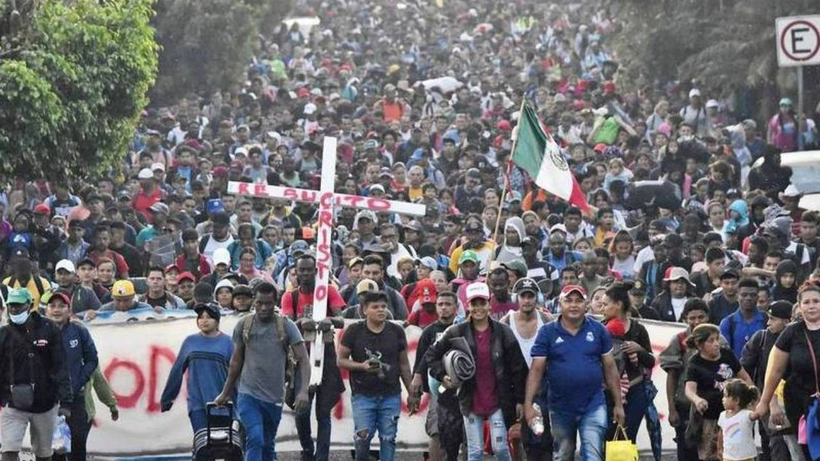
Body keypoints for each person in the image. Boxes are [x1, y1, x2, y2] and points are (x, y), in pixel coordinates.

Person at [425, 282, 527, 461]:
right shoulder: (456, 331)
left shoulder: (503, 332)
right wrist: (443, 376)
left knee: (501, 448)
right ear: (468, 305)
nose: (478, 308)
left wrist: (519, 399)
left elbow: (518, 367)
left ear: (489, 304)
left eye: (482, 303)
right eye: (474, 303)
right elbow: (431, 355)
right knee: (475, 451)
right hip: (469, 398)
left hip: (498, 398)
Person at [524, 284, 626, 461]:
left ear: (586, 304)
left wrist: (618, 403)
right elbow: (536, 369)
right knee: (563, 455)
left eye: (578, 301)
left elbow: (610, 367)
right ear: (560, 304)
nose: (573, 305)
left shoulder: (599, 330)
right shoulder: (547, 332)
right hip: (560, 406)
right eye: (568, 300)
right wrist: (528, 403)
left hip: (593, 404)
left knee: (593, 456)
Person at [214, 282, 310, 461]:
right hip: (248, 394)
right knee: (255, 438)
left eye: (268, 303)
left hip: (274, 397)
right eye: (259, 303)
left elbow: (303, 359)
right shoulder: (244, 325)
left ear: (275, 303)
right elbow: (236, 362)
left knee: (267, 443)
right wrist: (225, 393)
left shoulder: (286, 326)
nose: (264, 308)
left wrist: (303, 391)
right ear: (253, 302)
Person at [279, 254, 347, 461]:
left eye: (310, 270)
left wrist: (328, 321)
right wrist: (302, 323)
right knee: (302, 409)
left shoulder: (329, 292)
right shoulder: (290, 297)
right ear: (296, 273)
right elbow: (287, 325)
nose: (306, 274)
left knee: (323, 411)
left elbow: (341, 319)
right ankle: (307, 449)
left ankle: (322, 456)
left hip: (325, 356)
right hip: (301, 359)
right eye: (302, 270)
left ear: (317, 272)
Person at [338, 291, 419, 461]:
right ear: (364, 310)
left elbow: (403, 364)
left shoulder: (396, 331)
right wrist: (362, 366)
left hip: (391, 394)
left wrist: (411, 392)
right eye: (375, 307)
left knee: (388, 439)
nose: (381, 310)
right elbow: (341, 360)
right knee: (362, 437)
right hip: (363, 395)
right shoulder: (354, 331)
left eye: (383, 306)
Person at [0, 288, 73, 461]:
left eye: (19, 305)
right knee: (8, 452)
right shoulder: (3, 334)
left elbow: (61, 365)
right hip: (13, 403)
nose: (15, 310)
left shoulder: (49, 329)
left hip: (45, 403)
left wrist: (66, 401)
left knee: (43, 454)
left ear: (30, 305)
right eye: (12, 306)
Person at [754, 281, 820, 461]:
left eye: (816, 301)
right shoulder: (791, 332)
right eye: (806, 302)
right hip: (801, 405)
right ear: (799, 306)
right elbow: (774, 371)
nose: (811, 305)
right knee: (808, 455)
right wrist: (764, 402)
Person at [500, 277, 553, 460]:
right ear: (517, 298)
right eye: (523, 296)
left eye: (531, 296)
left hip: (543, 385)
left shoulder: (547, 320)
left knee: (542, 439)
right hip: (515, 387)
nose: (527, 300)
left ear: (536, 298)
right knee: (516, 438)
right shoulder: (506, 322)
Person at [684, 323, 753, 461]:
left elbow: (744, 377)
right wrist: (697, 400)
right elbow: (689, 389)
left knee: (736, 453)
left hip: (733, 416)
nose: (716, 344)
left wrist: (750, 399)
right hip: (709, 418)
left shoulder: (726, 354)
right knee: (710, 455)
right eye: (711, 341)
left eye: (717, 339)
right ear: (699, 345)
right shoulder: (695, 362)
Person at [161, 302, 233, 433]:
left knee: (223, 446)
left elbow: (236, 374)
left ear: (217, 320)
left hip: (222, 404)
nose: (204, 320)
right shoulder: (190, 342)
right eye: (200, 317)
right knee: (203, 443)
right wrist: (167, 398)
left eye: (209, 317)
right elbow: (177, 370)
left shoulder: (228, 342)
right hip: (197, 403)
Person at [45, 290, 99, 461]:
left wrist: (80, 379)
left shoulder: (79, 331)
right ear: (46, 310)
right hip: (48, 400)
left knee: (77, 443)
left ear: (69, 310)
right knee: (53, 448)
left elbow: (92, 358)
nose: (56, 310)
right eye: (52, 305)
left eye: (61, 306)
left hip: (76, 397)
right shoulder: (38, 332)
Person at [659, 298, 714, 461]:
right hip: (685, 406)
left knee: (711, 451)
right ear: (685, 319)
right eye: (692, 318)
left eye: (700, 317)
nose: (696, 321)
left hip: (713, 405)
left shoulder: (718, 339)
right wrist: (671, 408)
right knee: (686, 450)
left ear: (707, 317)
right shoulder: (679, 340)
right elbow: (672, 375)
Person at [600, 282, 656, 444]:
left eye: (606, 304)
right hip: (607, 392)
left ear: (618, 304)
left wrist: (639, 350)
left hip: (634, 390)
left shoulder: (638, 329)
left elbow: (650, 362)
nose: (602, 308)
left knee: (627, 438)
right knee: (608, 438)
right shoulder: (600, 328)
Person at [740, 300, 794, 461]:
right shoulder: (761, 338)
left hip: (795, 401)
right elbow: (743, 369)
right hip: (766, 400)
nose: (769, 323)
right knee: (774, 444)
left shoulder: (798, 338)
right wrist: (758, 397)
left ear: (787, 322)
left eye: (773, 319)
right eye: (768, 318)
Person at [410, 290, 460, 461]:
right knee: (436, 431)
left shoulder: (465, 328)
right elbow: (421, 361)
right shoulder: (429, 332)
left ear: (457, 307)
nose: (444, 308)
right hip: (438, 389)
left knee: (466, 435)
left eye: (448, 304)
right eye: (440, 304)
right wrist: (416, 381)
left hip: (464, 389)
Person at [717, 379, 760, 461]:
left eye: (726, 396)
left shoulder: (746, 414)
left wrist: (757, 403)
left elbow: (758, 413)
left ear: (736, 400)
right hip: (728, 456)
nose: (723, 399)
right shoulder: (722, 415)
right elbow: (721, 433)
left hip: (746, 457)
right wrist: (719, 448)